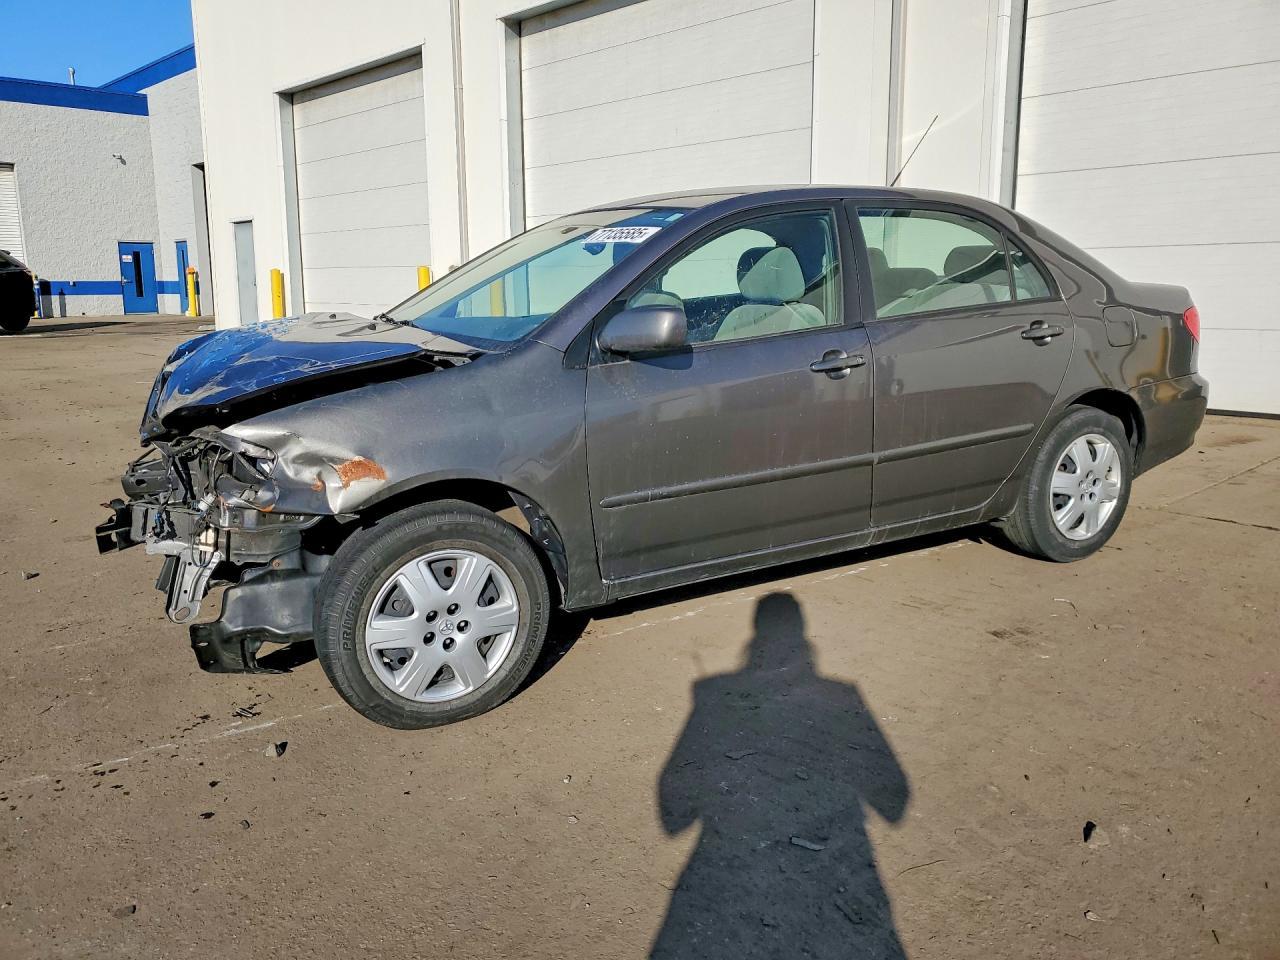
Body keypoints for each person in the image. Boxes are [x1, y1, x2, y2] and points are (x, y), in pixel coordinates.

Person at [653, 592, 910, 959]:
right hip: (839, 874)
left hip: (726, 882)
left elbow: (672, 818)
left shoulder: (710, 694)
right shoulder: (843, 695)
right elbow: (895, 803)